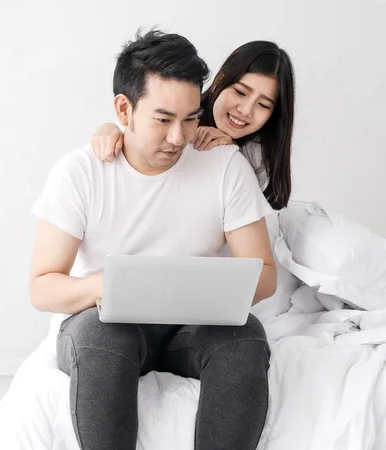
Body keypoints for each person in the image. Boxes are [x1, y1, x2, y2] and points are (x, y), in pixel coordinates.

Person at [29, 29, 277, 450]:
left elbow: (265, 276)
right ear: (123, 110)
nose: (178, 137)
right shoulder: (80, 172)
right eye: (163, 120)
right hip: (107, 324)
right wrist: (105, 287)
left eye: (191, 118)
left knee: (245, 340)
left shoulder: (223, 166)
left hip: (192, 329)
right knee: (103, 341)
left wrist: (212, 291)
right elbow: (42, 285)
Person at [91, 40, 295, 210]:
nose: (245, 110)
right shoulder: (178, 114)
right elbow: (134, 126)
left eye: (263, 104)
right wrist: (113, 128)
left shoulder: (258, 155)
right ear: (221, 80)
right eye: (240, 92)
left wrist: (231, 154)